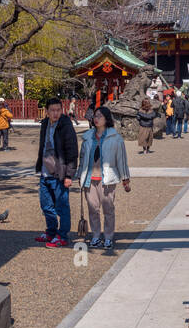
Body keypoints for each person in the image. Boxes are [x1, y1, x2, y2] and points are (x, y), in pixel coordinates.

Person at [76, 106, 131, 251]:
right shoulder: (87, 137)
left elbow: (121, 160)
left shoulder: (116, 138)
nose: (96, 118)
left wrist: (125, 178)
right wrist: (79, 174)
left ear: (107, 119)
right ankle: (95, 235)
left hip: (107, 179)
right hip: (90, 178)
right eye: (95, 116)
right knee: (93, 208)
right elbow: (82, 158)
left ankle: (108, 236)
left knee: (108, 209)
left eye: (99, 116)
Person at [37, 99, 78, 248]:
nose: (55, 113)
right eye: (52, 110)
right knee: (46, 204)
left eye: (58, 110)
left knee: (62, 206)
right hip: (45, 171)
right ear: (47, 111)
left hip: (60, 172)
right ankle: (51, 231)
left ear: (62, 110)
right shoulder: (45, 124)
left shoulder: (66, 126)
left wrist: (69, 175)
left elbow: (72, 151)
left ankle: (62, 235)